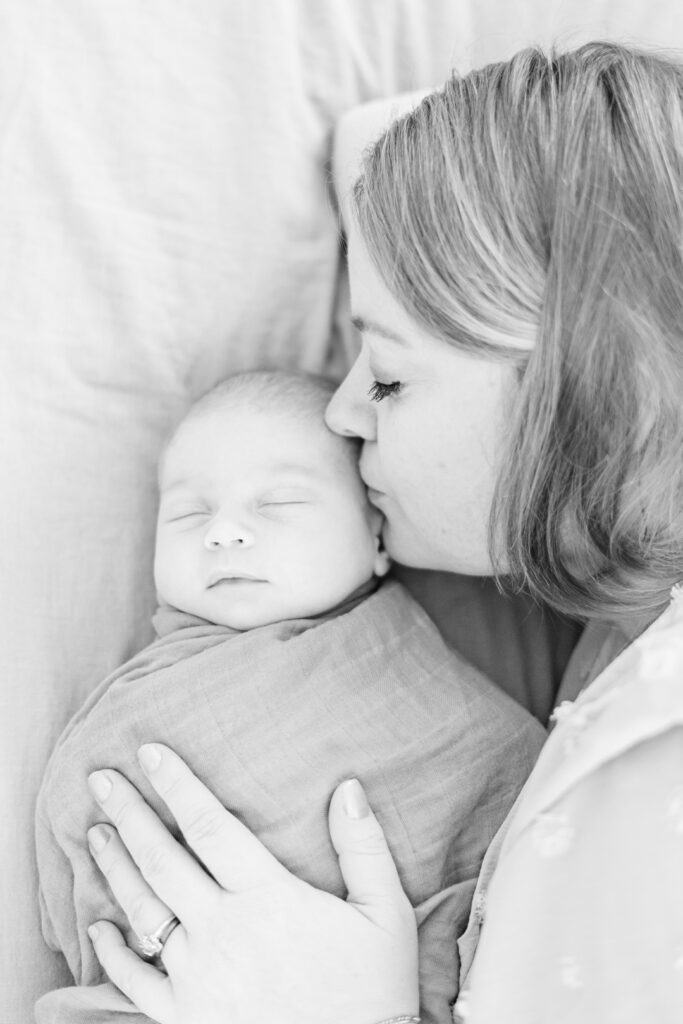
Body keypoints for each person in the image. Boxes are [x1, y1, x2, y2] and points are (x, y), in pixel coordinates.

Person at [49, 41, 683, 1024]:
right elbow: (396, 150)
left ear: (605, 376)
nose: (340, 412)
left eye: (386, 372)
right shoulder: (619, 624)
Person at [35, 370, 544, 1024]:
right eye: (189, 512)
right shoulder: (146, 696)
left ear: (379, 535)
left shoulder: (426, 682)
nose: (223, 532)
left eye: (278, 503)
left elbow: (495, 785)